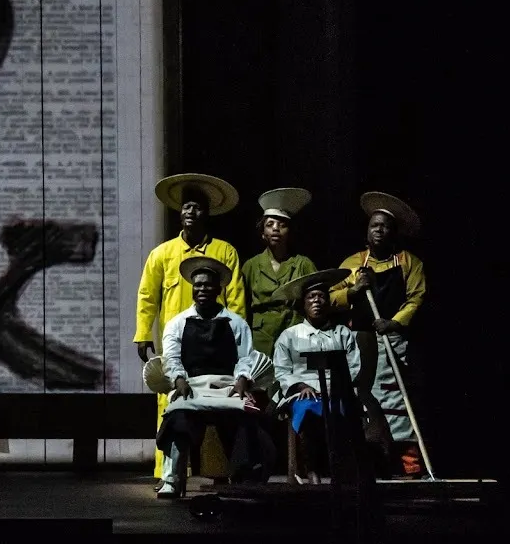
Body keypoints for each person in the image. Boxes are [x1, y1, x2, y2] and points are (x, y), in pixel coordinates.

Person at [135, 173, 246, 482]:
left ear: (206, 213)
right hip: (177, 346)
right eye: (185, 206)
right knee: (170, 404)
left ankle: (221, 473)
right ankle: (168, 474)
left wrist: (236, 342)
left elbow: (236, 299)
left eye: (196, 207)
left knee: (219, 403)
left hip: (216, 346)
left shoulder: (225, 252)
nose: (189, 212)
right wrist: (143, 334)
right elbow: (147, 296)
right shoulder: (162, 254)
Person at [148, 257, 273, 499]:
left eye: (207, 285)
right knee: (177, 417)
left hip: (226, 388)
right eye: (198, 285)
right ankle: (172, 479)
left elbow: (246, 357)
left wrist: (241, 380)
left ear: (218, 289)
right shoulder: (178, 323)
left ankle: (243, 478)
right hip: (192, 387)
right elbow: (171, 357)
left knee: (245, 418)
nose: (202, 289)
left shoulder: (236, 323)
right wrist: (179, 380)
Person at [329, 191, 428, 478]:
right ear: (367, 230)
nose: (379, 230)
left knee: (399, 403)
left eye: (385, 225)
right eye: (374, 225)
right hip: (360, 341)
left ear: (393, 231)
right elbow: (330, 297)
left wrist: (394, 323)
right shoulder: (353, 263)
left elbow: (416, 298)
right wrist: (354, 290)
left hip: (393, 341)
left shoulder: (408, 262)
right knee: (364, 403)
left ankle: (409, 467)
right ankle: (371, 465)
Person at [273, 267, 361, 481]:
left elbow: (354, 366)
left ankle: (341, 471)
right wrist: (301, 386)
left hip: (336, 392)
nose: (317, 301)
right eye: (311, 297)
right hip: (304, 393)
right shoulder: (290, 335)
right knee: (308, 411)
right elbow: (282, 370)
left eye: (321, 296)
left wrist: (338, 387)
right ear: (303, 304)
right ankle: (312, 470)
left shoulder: (342, 334)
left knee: (341, 414)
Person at [239, 188, 318, 359]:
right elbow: (241, 305)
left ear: (290, 232)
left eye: (282, 225)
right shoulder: (251, 265)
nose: (276, 229)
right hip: (260, 336)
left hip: (294, 332)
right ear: (262, 233)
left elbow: (318, 298)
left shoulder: (303, 264)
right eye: (270, 225)